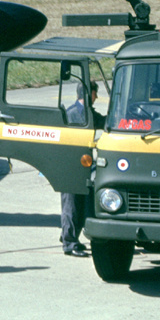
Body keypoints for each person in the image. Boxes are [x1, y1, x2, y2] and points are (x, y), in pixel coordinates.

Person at [60, 81, 103, 257]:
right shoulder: (73, 114)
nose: (97, 97)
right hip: (70, 167)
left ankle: (69, 237)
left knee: (78, 203)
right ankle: (69, 243)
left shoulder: (86, 112)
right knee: (70, 205)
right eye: (95, 93)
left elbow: (103, 121)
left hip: (80, 166)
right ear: (88, 94)